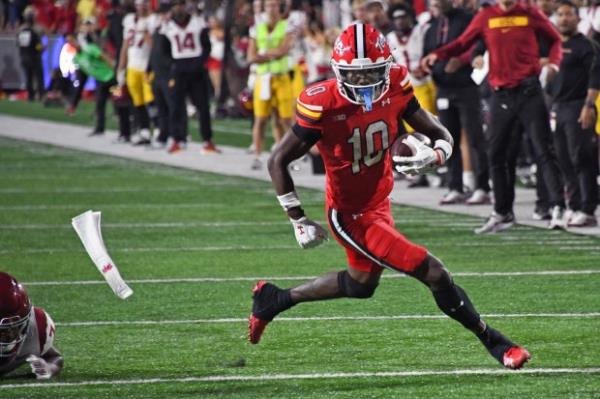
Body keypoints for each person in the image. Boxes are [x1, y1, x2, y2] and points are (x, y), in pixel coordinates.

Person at [248, 23, 531, 371]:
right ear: (338, 71)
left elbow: (438, 132)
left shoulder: (396, 83)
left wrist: (436, 155)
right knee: (435, 272)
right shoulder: (321, 101)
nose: (366, 82)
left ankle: (273, 299)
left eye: (372, 73)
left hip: (381, 200)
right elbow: (278, 159)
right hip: (351, 214)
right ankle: (496, 342)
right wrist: (297, 218)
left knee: (360, 285)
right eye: (357, 74)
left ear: (386, 67)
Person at [422, 0, 568, 233]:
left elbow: (555, 41)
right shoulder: (486, 16)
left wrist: (554, 66)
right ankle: (502, 212)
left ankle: (559, 207)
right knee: (497, 154)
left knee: (543, 151)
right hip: (500, 96)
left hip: (529, 91)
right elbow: (463, 43)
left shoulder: (530, 13)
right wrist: (437, 54)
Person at [423, 0, 491, 205]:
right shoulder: (433, 26)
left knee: (475, 138)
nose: (436, 3)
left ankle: (482, 187)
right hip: (443, 87)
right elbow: (428, 51)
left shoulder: (467, 19)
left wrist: (462, 60)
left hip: (466, 86)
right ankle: (455, 186)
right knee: (447, 139)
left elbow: (480, 44)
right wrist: (426, 66)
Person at [548, 0, 600, 226]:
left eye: (569, 14)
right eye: (560, 14)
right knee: (564, 159)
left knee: (581, 158)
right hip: (557, 107)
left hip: (578, 106)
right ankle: (574, 204)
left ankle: (588, 208)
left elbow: (595, 76)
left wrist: (589, 105)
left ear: (578, 18)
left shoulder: (586, 46)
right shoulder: (553, 45)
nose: (564, 19)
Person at [162, 0, 219, 154]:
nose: (178, 8)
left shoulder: (198, 22)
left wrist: (199, 63)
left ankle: (207, 140)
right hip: (178, 69)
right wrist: (172, 65)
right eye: (175, 5)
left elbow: (207, 46)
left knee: (203, 107)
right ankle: (177, 139)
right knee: (175, 107)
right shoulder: (167, 26)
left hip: (196, 69)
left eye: (180, 4)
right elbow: (164, 51)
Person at [247, 0, 294, 169]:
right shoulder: (257, 27)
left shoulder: (287, 25)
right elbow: (250, 56)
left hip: (281, 77)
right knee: (260, 119)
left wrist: (263, 54)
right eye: (268, 5)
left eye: (274, 5)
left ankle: (286, 157)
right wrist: (272, 54)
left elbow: (284, 50)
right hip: (263, 78)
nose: (271, 8)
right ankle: (258, 155)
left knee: (286, 119)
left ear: (279, 7)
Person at [0, 272, 63, 379]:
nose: (9, 334)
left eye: (14, 326)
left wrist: (49, 367)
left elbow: (55, 357)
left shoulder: (36, 329)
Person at [118, 0, 154, 145]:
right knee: (137, 101)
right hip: (132, 66)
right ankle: (144, 131)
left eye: (144, 3)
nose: (141, 7)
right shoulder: (128, 20)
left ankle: (159, 131)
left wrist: (145, 33)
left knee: (151, 100)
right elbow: (125, 45)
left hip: (147, 66)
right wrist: (121, 67)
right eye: (139, 4)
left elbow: (155, 47)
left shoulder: (153, 20)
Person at [16, 7, 45, 102]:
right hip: (34, 57)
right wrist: (42, 48)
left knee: (29, 78)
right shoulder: (35, 30)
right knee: (38, 77)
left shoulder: (21, 30)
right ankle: (40, 95)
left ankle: (31, 96)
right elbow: (37, 45)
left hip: (24, 57)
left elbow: (18, 44)